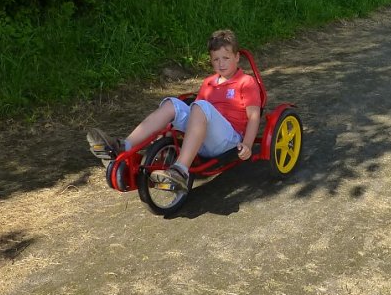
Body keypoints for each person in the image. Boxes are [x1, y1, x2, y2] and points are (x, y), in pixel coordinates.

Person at [87, 29, 262, 189]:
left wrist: (247, 144)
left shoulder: (246, 82)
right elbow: (196, 115)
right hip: (203, 138)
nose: (221, 64)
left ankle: (180, 170)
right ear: (211, 60)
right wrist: (173, 131)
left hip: (229, 140)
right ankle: (124, 145)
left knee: (201, 106)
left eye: (226, 58)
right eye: (216, 59)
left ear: (237, 57)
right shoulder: (208, 83)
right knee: (172, 103)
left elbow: (254, 117)